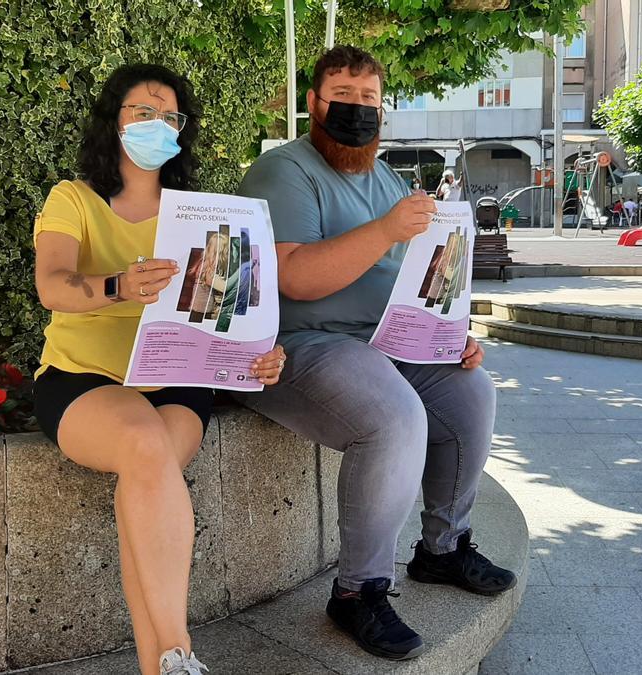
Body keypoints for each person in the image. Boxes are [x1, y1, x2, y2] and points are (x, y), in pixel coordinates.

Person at [235, 46, 515, 662]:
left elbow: (408, 277)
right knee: (396, 417)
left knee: (471, 394)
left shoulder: (385, 178)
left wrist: (447, 334)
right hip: (297, 348)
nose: (357, 110)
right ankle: (358, 591)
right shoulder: (285, 171)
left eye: (368, 99)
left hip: (383, 341)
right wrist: (387, 229)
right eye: (342, 95)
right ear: (312, 103)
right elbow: (296, 279)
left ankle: (442, 548)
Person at [31, 64, 287, 675]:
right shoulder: (73, 199)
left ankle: (165, 668)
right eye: (142, 112)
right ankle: (179, 654)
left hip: (177, 379)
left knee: (143, 479)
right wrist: (118, 285)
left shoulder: (200, 215)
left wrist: (256, 359)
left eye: (170, 116)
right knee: (145, 450)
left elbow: (229, 311)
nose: (157, 124)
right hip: (81, 379)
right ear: (112, 121)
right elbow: (53, 286)